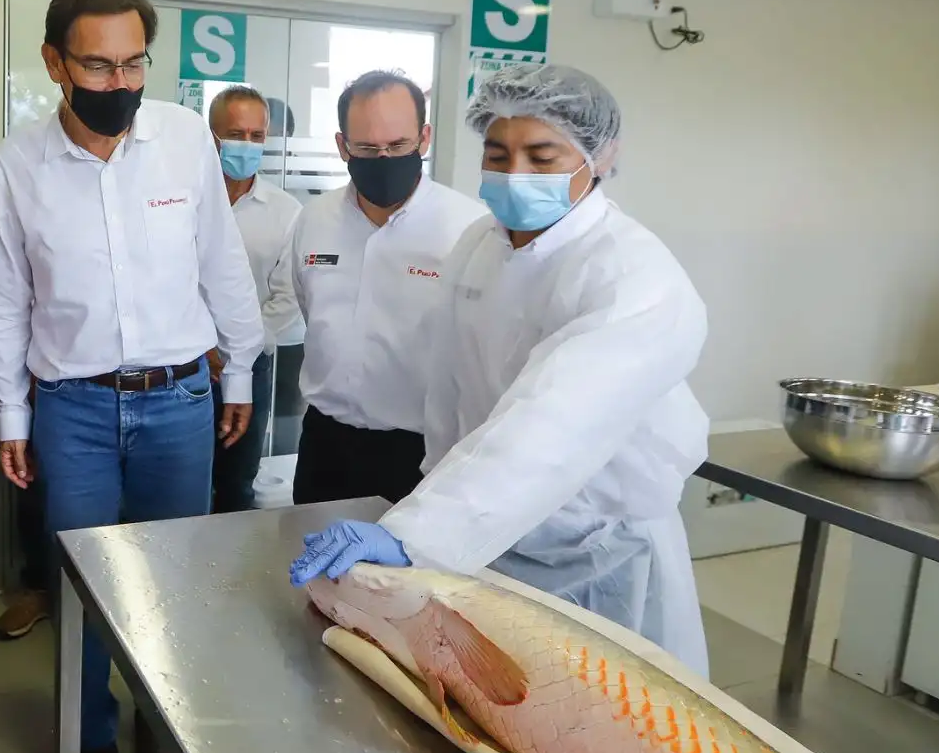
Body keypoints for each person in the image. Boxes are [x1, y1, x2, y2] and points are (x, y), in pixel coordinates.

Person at [290, 63, 712, 675]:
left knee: (599, 727)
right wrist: (432, 505)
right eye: (498, 152)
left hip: (595, 550)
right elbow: (450, 394)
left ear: (601, 156)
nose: (516, 173)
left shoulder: (632, 277)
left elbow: (551, 425)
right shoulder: (480, 247)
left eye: (542, 157)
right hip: (489, 536)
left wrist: (417, 534)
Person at [0, 0, 264, 753]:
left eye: (134, 63)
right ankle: (89, 746)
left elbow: (222, 262)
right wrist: (12, 415)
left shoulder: (182, 139)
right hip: (74, 410)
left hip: (180, 400)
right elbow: (2, 298)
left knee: (171, 586)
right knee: (83, 590)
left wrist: (241, 372)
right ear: (54, 63)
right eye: (97, 68)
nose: (119, 85)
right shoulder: (18, 163)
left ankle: (159, 729)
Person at [289, 70, 484, 506]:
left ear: (424, 138)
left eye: (398, 146)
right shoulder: (314, 219)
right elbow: (310, 308)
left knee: (407, 572)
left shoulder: (467, 229)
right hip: (326, 442)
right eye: (367, 148)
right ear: (342, 146)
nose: (383, 159)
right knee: (313, 567)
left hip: (420, 451)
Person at [205, 84, 302, 512]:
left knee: (237, 481)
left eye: (256, 136)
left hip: (251, 364)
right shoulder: (181, 201)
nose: (246, 145)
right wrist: (198, 346)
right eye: (235, 133)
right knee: (179, 484)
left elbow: (288, 295)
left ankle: (228, 573)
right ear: (211, 136)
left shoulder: (285, 211)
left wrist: (235, 350)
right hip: (181, 367)